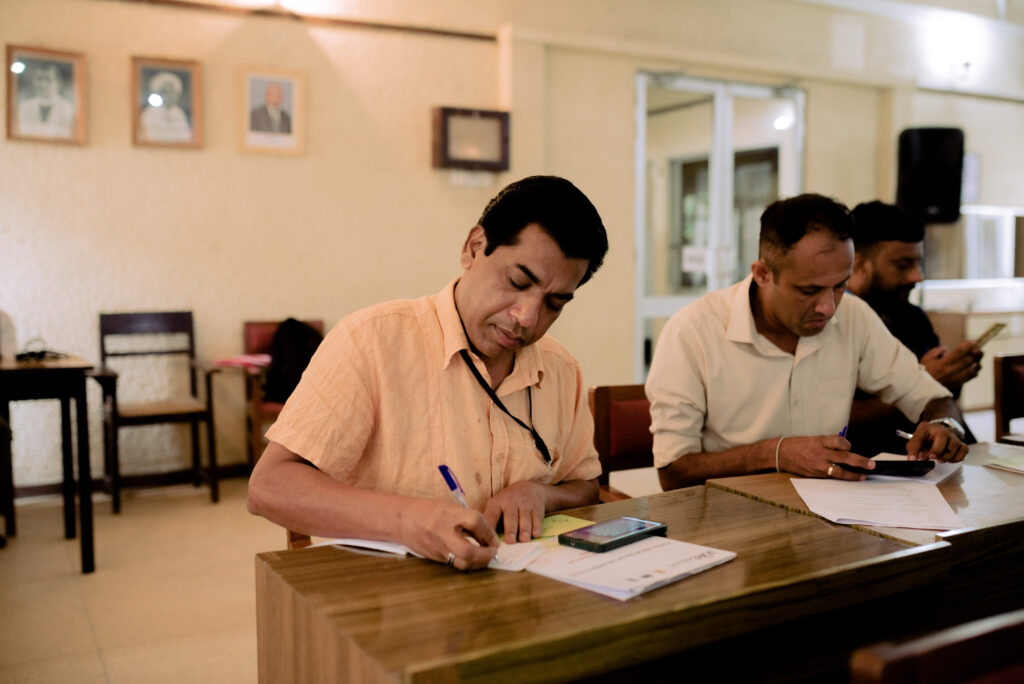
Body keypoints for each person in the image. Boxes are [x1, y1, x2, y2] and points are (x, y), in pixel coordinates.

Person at [248, 176, 609, 571]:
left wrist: (540, 494)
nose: (527, 317)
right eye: (517, 282)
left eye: (555, 303)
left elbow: (585, 485)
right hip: (384, 593)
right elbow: (269, 486)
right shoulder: (372, 340)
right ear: (474, 248)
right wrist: (406, 520)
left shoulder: (560, 369)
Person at [646, 193, 969, 491]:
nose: (828, 307)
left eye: (840, 285)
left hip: (832, 510)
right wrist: (776, 453)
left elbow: (929, 394)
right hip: (730, 514)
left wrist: (944, 424)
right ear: (762, 274)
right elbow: (673, 472)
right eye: (808, 290)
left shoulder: (854, 315)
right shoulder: (692, 333)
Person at [846, 201, 980, 456]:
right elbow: (834, 419)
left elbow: (939, 398)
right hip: (873, 461)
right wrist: (924, 383)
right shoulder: (832, 323)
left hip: (934, 460)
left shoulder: (912, 317)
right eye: (903, 264)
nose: (917, 276)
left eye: (918, 263)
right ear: (859, 265)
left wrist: (952, 375)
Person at [16, 63, 74, 139]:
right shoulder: (23, 107)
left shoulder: (68, 109)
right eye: (39, 79)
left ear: (58, 82)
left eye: (48, 79)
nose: (43, 84)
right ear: (33, 80)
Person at [140, 71, 192, 143]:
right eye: (166, 92)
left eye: (173, 92)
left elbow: (186, 137)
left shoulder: (179, 113)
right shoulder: (150, 113)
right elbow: (150, 136)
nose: (170, 96)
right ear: (160, 93)